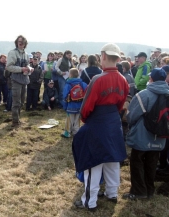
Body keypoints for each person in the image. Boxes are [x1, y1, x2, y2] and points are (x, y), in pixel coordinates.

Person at [72, 43, 129, 211]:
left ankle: (89, 201)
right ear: (118, 58)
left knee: (93, 163)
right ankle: (112, 194)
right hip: (113, 121)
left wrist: (87, 120)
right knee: (112, 159)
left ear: (103, 56)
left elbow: (86, 107)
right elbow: (121, 104)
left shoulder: (98, 79)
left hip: (97, 122)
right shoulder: (123, 80)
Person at [124, 68, 169, 200]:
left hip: (142, 136)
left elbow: (132, 116)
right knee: (152, 163)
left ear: (151, 79)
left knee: (137, 162)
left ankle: (139, 191)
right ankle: (149, 189)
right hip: (161, 136)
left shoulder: (144, 95)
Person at [6, 35, 33, 127]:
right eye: (19, 42)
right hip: (16, 80)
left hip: (24, 80)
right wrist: (21, 69)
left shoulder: (26, 54)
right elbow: (9, 67)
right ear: (17, 43)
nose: (21, 43)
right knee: (16, 102)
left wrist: (29, 69)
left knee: (21, 102)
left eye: (22, 42)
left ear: (25, 43)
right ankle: (15, 121)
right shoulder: (12, 53)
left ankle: (18, 119)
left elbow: (27, 65)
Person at [61, 68, 87, 138]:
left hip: (71, 105)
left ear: (71, 75)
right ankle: (76, 131)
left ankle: (67, 132)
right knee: (77, 119)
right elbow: (87, 91)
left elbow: (65, 95)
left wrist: (65, 105)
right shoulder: (82, 83)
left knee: (70, 119)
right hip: (80, 105)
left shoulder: (68, 84)